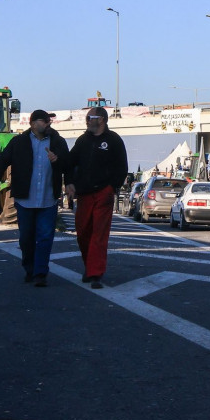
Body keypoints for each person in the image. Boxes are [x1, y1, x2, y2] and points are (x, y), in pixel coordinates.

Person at [0, 109, 70, 287]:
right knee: (26, 238)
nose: (48, 124)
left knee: (45, 237)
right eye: (44, 121)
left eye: (49, 121)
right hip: (25, 199)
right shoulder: (19, 141)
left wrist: (57, 160)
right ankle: (29, 268)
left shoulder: (57, 141)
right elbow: (3, 159)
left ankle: (40, 273)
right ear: (33, 124)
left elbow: (68, 164)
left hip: (48, 199)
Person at [64, 106, 127, 290]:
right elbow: (70, 162)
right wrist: (69, 182)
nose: (87, 120)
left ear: (101, 120)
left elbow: (122, 167)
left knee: (99, 234)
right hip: (84, 194)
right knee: (83, 232)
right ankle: (89, 267)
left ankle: (96, 273)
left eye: (90, 117)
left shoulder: (114, 140)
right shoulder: (82, 141)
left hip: (103, 193)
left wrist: (112, 187)